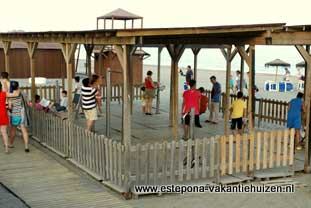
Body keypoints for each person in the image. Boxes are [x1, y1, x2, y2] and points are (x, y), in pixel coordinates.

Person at [8, 81, 30, 152]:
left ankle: (11, 144)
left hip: (15, 114)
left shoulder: (10, 95)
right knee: (24, 130)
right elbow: (27, 102)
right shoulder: (22, 92)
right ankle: (26, 146)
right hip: (22, 112)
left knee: (13, 129)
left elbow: (10, 106)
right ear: (18, 86)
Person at [0, 82, 9, 153]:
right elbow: (6, 89)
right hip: (3, 114)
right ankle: (6, 147)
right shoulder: (3, 94)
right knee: (4, 132)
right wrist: (3, 83)